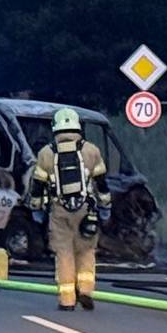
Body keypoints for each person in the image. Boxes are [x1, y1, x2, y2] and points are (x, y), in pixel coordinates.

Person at [22, 107, 108, 310]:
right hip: (86, 210)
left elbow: (38, 185)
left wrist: (36, 207)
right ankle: (86, 290)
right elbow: (102, 182)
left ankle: (67, 299)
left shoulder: (46, 153)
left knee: (64, 253)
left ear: (55, 128)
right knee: (86, 250)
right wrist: (105, 205)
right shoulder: (91, 150)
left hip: (60, 210)